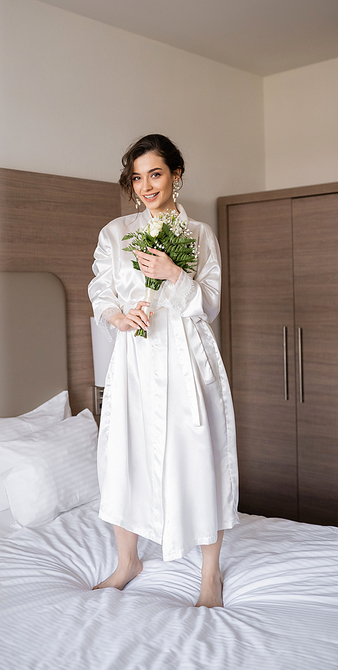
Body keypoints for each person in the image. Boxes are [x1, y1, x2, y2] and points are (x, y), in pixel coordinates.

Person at [88, 134, 239, 608]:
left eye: (156, 173)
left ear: (176, 174)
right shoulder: (116, 234)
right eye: (138, 177)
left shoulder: (199, 236)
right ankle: (126, 561)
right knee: (124, 451)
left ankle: (209, 575)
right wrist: (117, 316)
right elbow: (101, 290)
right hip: (135, 358)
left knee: (199, 453)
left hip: (186, 358)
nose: (146, 185)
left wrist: (175, 272)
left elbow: (209, 305)